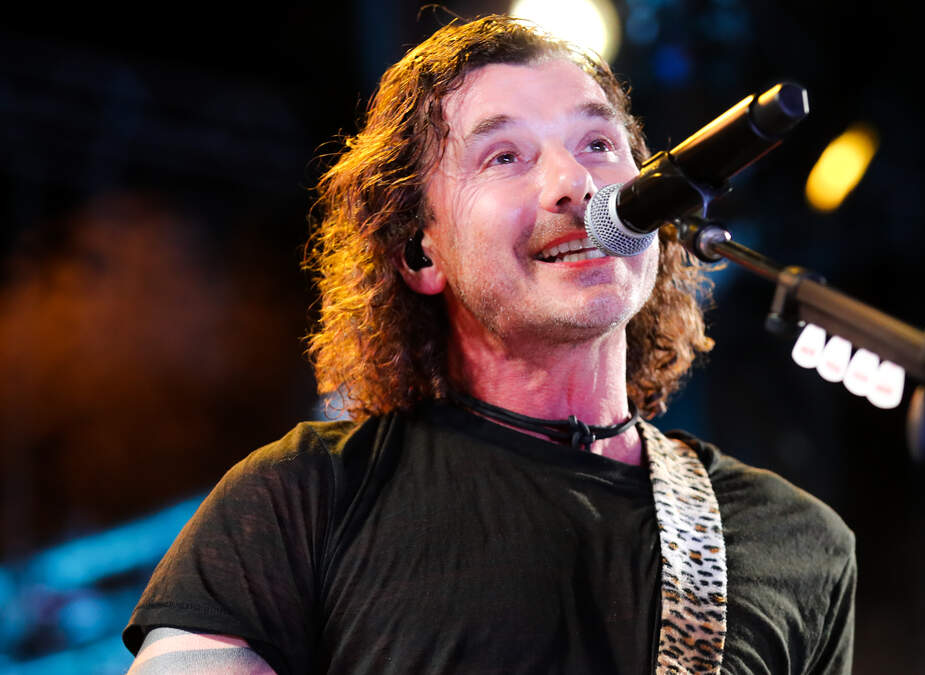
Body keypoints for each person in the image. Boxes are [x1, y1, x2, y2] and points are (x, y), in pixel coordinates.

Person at [123, 15, 855, 675]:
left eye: (598, 144)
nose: (575, 183)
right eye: (504, 156)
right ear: (421, 253)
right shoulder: (303, 497)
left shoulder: (789, 539)